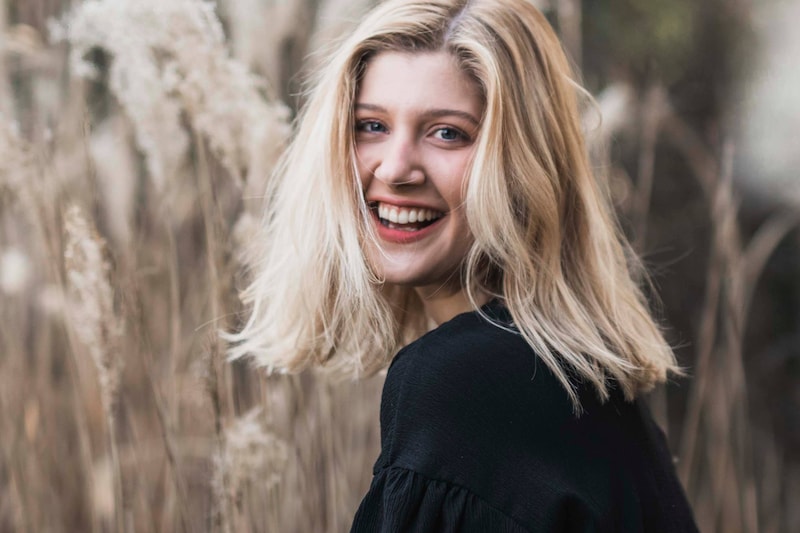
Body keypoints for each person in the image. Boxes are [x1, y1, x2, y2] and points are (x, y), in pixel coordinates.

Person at [229, 0, 700, 530]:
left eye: (447, 133)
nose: (395, 169)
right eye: (371, 125)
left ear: (522, 164)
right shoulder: (583, 381)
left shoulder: (461, 383)